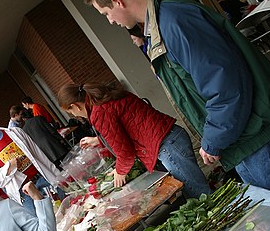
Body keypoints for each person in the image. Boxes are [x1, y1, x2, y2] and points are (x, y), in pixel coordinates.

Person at [85, 0, 270, 196]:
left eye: (106, 14)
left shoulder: (174, 20)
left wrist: (213, 139)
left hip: (259, 139)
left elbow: (224, 85)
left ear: (117, 1)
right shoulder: (164, 20)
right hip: (249, 137)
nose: (111, 21)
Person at [58, 82, 211, 198]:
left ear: (75, 106)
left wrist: (120, 172)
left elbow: (125, 153)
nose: (74, 116)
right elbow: (126, 127)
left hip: (167, 146)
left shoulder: (99, 112)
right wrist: (97, 140)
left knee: (201, 195)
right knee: (198, 191)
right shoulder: (102, 99)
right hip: (172, 138)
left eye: (70, 111)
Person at [0, 109, 63, 214]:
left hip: (41, 178)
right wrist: (9, 166)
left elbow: (38, 153)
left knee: (64, 208)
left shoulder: (15, 132)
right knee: (44, 222)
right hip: (24, 193)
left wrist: (56, 174)